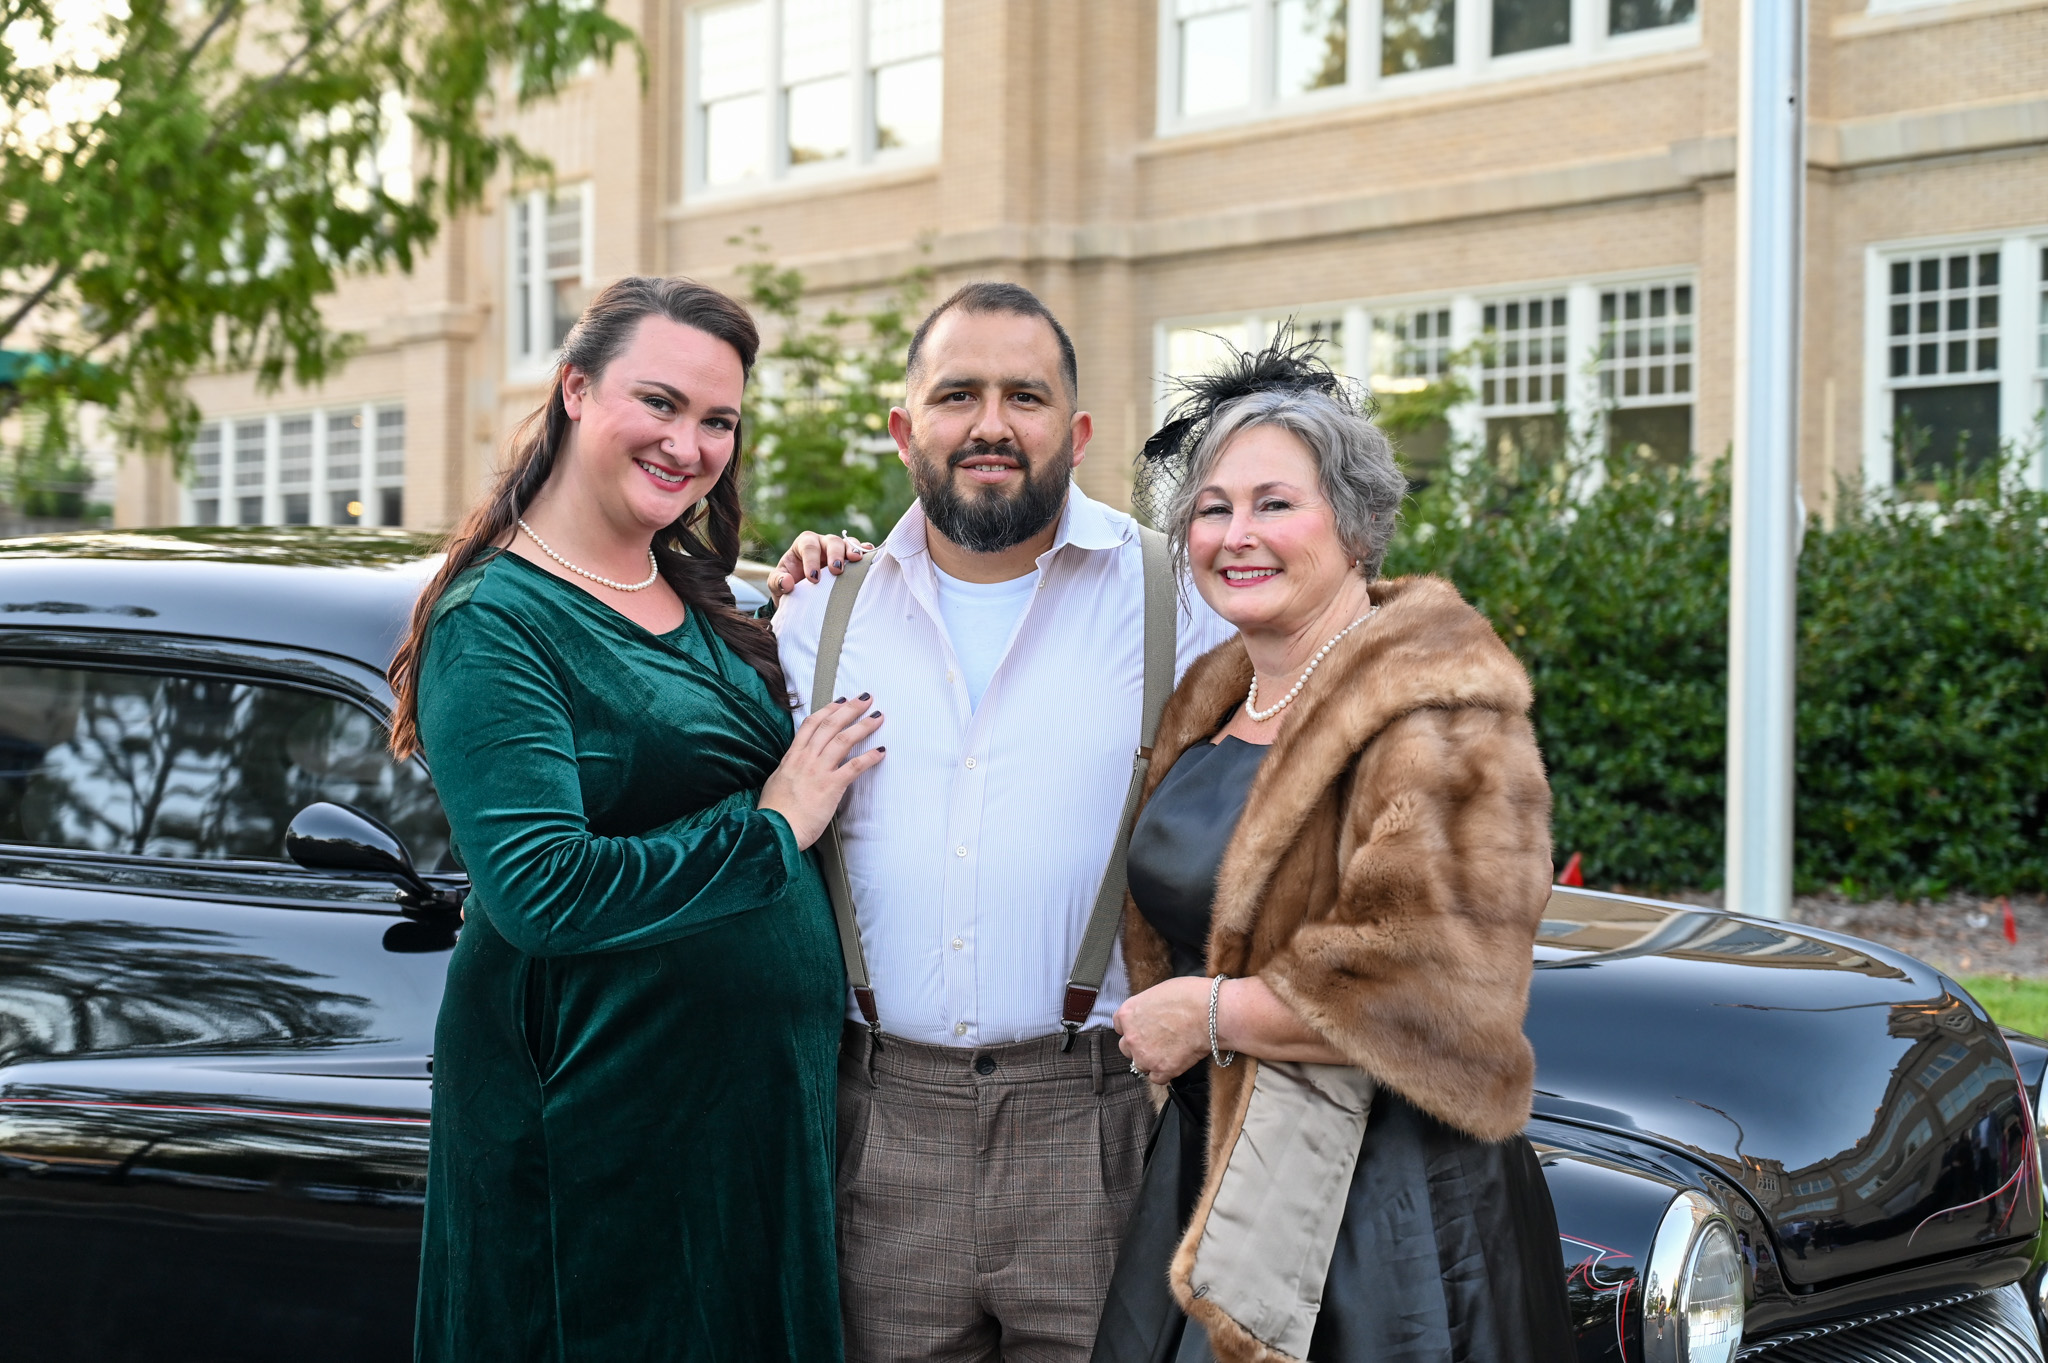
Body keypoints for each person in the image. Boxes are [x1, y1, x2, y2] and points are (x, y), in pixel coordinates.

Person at [389, 276, 882, 1362]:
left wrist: (834, 594)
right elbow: (541, 891)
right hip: (598, 1127)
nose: (688, 442)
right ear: (574, 389)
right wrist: (770, 826)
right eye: (658, 403)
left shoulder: (698, 590)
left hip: (742, 1125)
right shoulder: (498, 621)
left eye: (717, 420)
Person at [769, 281, 1237, 1363]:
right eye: (956, 395)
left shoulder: (1179, 601)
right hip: (878, 1128)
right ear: (903, 431)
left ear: (1073, 432)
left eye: (1023, 396)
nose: (989, 424)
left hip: (1101, 1119)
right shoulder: (812, 613)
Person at [1093, 337, 1577, 1362]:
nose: (1236, 533)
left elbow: (1440, 986)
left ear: (1354, 525)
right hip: (1212, 1167)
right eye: (1212, 507)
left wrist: (1204, 1013)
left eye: (1275, 502)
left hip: (1380, 1218)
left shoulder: (1437, 712)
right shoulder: (1217, 694)